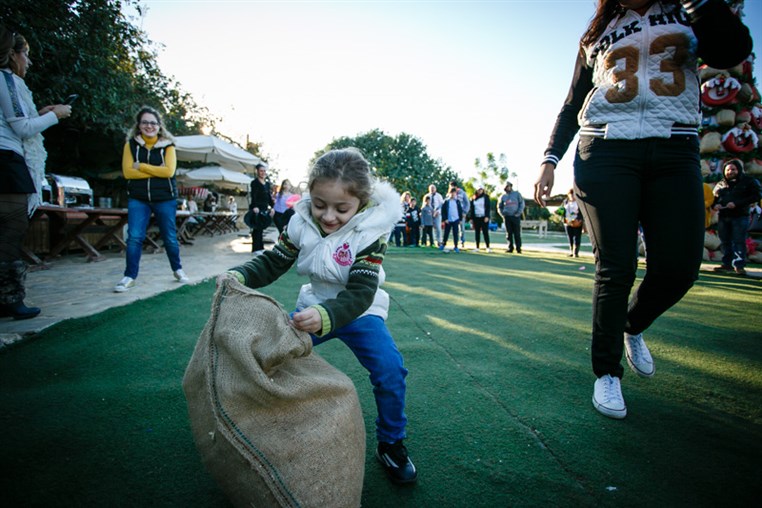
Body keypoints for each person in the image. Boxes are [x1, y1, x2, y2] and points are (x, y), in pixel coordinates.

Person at [533, 0, 752, 419]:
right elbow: (573, 103)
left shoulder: (687, 11)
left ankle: (631, 325)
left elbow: (731, 52)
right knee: (615, 265)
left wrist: (700, 5)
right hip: (604, 150)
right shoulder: (596, 33)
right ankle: (607, 372)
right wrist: (550, 160)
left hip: (673, 145)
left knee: (679, 267)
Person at [223, 147, 417, 484]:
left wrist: (325, 316)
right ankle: (265, 424)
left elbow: (360, 292)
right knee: (270, 353)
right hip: (313, 304)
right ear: (309, 195)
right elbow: (273, 262)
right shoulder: (300, 223)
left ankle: (391, 441)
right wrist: (238, 276)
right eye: (319, 204)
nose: (328, 216)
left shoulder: (372, 231)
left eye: (342, 208)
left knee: (390, 368)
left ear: (361, 202)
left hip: (361, 312)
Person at [0, 28, 71, 319]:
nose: (28, 61)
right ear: (12, 54)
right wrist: (55, 115)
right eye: (26, 54)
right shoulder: (6, 79)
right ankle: (9, 299)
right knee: (9, 233)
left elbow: (19, 119)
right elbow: (22, 128)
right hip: (6, 163)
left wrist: (40, 111)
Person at [114, 106, 188, 292]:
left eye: (153, 123)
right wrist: (155, 170)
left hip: (164, 198)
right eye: (145, 122)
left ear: (159, 126)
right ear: (139, 125)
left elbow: (169, 171)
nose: (149, 126)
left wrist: (142, 166)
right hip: (138, 198)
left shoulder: (168, 147)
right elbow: (128, 172)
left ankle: (177, 269)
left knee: (169, 236)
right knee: (135, 237)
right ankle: (129, 276)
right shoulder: (130, 145)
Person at [712, 159, 762, 276]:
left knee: (739, 241)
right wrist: (716, 205)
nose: (730, 172)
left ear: (739, 170)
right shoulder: (721, 184)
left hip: (740, 216)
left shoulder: (748, 182)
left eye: (733, 169)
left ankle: (739, 265)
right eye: (728, 170)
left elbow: (757, 195)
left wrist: (737, 203)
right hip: (724, 217)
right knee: (725, 242)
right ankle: (727, 264)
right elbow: (714, 199)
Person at [249, 163, 274, 254]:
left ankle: (260, 247)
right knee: (256, 228)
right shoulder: (254, 183)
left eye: (264, 171)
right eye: (261, 171)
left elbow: (269, 197)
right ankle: (256, 248)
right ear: (257, 172)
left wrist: (272, 207)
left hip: (264, 208)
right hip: (257, 208)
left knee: (261, 228)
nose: (263, 172)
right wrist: (254, 206)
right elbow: (253, 195)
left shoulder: (267, 184)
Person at [498, 181, 524, 253]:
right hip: (507, 217)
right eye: (506, 186)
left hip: (516, 216)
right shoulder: (503, 196)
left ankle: (518, 248)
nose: (508, 187)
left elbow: (521, 204)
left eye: (509, 186)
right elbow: (499, 207)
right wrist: (503, 214)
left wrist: (518, 213)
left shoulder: (517, 194)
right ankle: (510, 248)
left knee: (517, 233)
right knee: (509, 233)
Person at [468, 185, 491, 252]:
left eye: (481, 189)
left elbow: (488, 207)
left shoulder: (486, 197)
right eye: (479, 189)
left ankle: (488, 247)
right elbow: (472, 209)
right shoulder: (473, 198)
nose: (480, 191)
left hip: (484, 217)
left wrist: (487, 216)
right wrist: (471, 218)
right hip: (476, 217)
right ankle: (477, 247)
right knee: (477, 232)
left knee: (485, 232)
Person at [439, 187, 463, 252]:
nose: (453, 194)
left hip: (456, 219)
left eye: (454, 193)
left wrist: (460, 219)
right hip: (448, 220)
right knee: (446, 233)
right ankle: (443, 244)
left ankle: (456, 246)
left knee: (455, 233)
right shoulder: (446, 201)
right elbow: (443, 211)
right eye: (451, 193)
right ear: (449, 193)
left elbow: (460, 211)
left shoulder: (457, 201)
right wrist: (445, 219)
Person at [561, 189, 583, 257]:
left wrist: (579, 219)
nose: (572, 196)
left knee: (577, 237)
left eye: (574, 194)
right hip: (567, 221)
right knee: (570, 237)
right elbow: (562, 210)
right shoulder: (565, 202)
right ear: (568, 195)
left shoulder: (579, 202)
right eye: (571, 194)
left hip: (576, 221)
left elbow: (582, 212)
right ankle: (571, 251)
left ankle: (575, 253)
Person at [450, 181, 469, 248]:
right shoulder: (449, 193)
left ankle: (462, 242)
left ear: (456, 186)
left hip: (461, 214)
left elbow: (467, 203)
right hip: (452, 214)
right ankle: (455, 243)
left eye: (453, 186)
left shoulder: (462, 193)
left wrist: (465, 212)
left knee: (462, 228)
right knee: (454, 229)